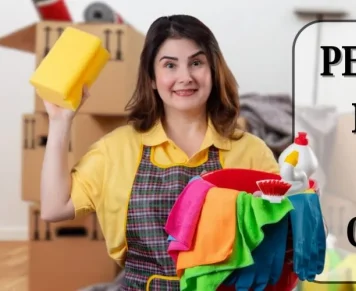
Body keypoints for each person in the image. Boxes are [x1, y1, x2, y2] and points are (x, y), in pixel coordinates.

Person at [39, 15, 279, 290]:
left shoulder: (250, 151)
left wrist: (298, 203)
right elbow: (54, 207)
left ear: (213, 71)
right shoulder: (117, 149)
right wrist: (60, 123)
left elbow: (281, 235)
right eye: (170, 65)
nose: (185, 77)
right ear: (152, 78)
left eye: (197, 63)